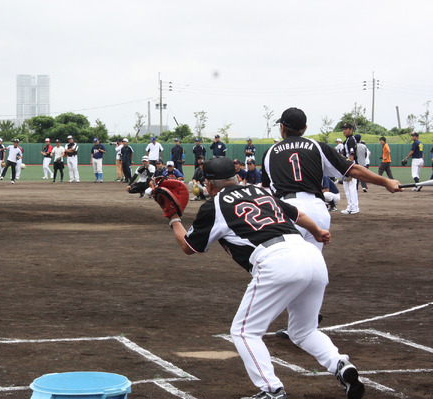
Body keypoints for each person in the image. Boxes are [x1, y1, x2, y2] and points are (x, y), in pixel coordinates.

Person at [166, 156, 365, 399]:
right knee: (304, 331)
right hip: (311, 256)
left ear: (208, 184)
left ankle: (271, 390)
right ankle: (341, 365)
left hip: (277, 262)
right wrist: (318, 231)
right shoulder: (260, 191)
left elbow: (189, 247)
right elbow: (298, 215)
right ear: (237, 177)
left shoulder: (215, 205)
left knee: (244, 331)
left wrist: (174, 218)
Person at [261, 107, 401, 250]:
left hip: (289, 211)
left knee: (289, 264)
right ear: (305, 128)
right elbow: (353, 170)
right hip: (317, 211)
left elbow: (266, 193)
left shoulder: (269, 153)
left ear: (282, 127)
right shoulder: (317, 147)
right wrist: (385, 181)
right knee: (313, 262)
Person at [340, 123, 359, 214]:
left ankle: (354, 207)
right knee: (347, 187)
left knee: (351, 187)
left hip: (350, 166)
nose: (344, 130)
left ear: (351, 130)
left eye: (346, 129)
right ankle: (350, 206)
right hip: (346, 166)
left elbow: (351, 155)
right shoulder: (347, 140)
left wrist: (349, 169)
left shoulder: (351, 140)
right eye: (343, 129)